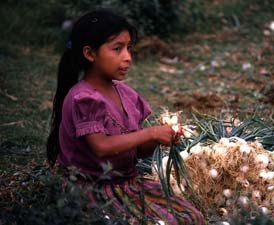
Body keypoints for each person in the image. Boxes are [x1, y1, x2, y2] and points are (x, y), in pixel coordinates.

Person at [46, 8, 203, 224]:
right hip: (93, 191)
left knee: (191, 217)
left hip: (128, 184)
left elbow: (136, 151)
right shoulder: (83, 98)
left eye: (129, 48)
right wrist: (150, 132)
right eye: (117, 49)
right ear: (90, 54)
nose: (128, 57)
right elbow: (101, 147)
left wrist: (158, 140)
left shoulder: (125, 93)